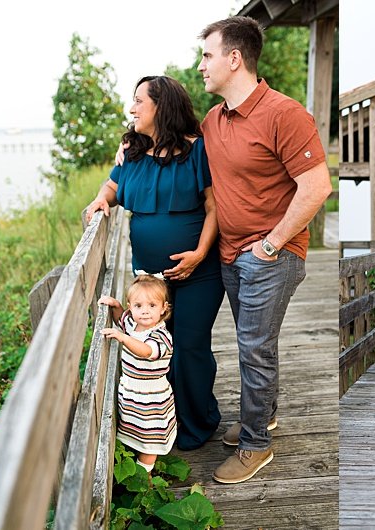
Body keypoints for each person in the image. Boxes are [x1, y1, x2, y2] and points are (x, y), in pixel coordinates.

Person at [197, 16, 331, 484]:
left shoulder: (285, 113)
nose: (201, 66)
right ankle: (264, 415)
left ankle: (257, 444)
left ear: (235, 59)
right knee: (258, 343)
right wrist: (128, 148)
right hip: (232, 254)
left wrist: (271, 245)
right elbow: (177, 147)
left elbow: (316, 187)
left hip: (272, 254)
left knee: (252, 347)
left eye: (207, 55)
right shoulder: (214, 120)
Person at [84, 75, 224, 451]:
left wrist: (197, 254)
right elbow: (113, 187)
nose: (131, 109)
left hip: (200, 273)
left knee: (190, 346)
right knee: (158, 347)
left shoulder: (198, 151)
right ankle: (166, 421)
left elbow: (213, 207)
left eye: (138, 102)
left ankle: (198, 423)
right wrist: (101, 200)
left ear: (161, 107)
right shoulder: (131, 151)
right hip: (149, 279)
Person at [98, 274, 177, 473]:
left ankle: (145, 476)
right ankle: (137, 465)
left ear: (163, 308)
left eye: (152, 305)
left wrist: (122, 338)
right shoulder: (132, 324)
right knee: (135, 430)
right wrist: (115, 306)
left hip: (151, 396)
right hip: (133, 392)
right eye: (138, 306)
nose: (145, 311)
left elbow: (146, 351)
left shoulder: (161, 336)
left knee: (150, 438)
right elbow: (120, 319)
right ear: (131, 307)